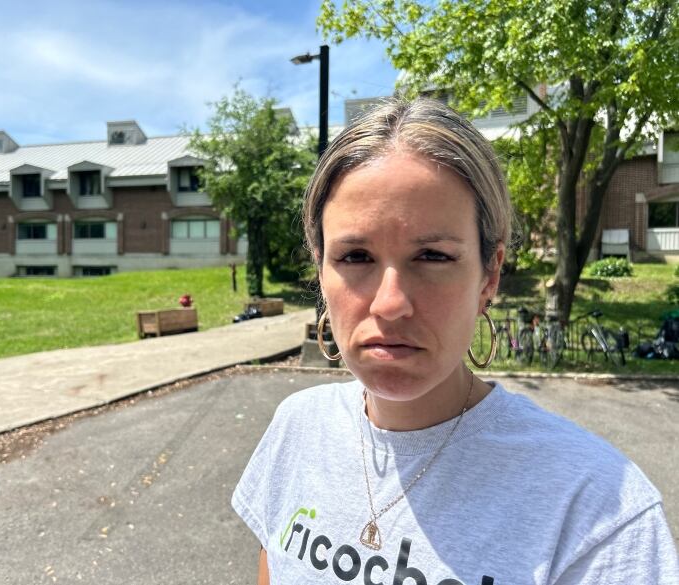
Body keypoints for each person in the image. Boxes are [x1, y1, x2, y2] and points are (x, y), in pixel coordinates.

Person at [232, 97, 678, 584]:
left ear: (489, 275)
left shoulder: (597, 510)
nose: (389, 303)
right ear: (320, 271)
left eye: (433, 256)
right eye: (355, 256)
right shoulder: (297, 429)